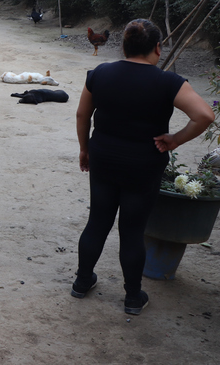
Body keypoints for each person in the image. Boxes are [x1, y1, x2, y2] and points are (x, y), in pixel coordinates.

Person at [72, 18, 214, 314]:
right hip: (143, 164)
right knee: (133, 231)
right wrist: (175, 139)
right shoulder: (169, 82)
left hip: (104, 156)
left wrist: (85, 149)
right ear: (158, 48)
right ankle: (133, 298)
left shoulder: (99, 74)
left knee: (97, 221)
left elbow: (82, 115)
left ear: (124, 46)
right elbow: (204, 115)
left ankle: (82, 282)